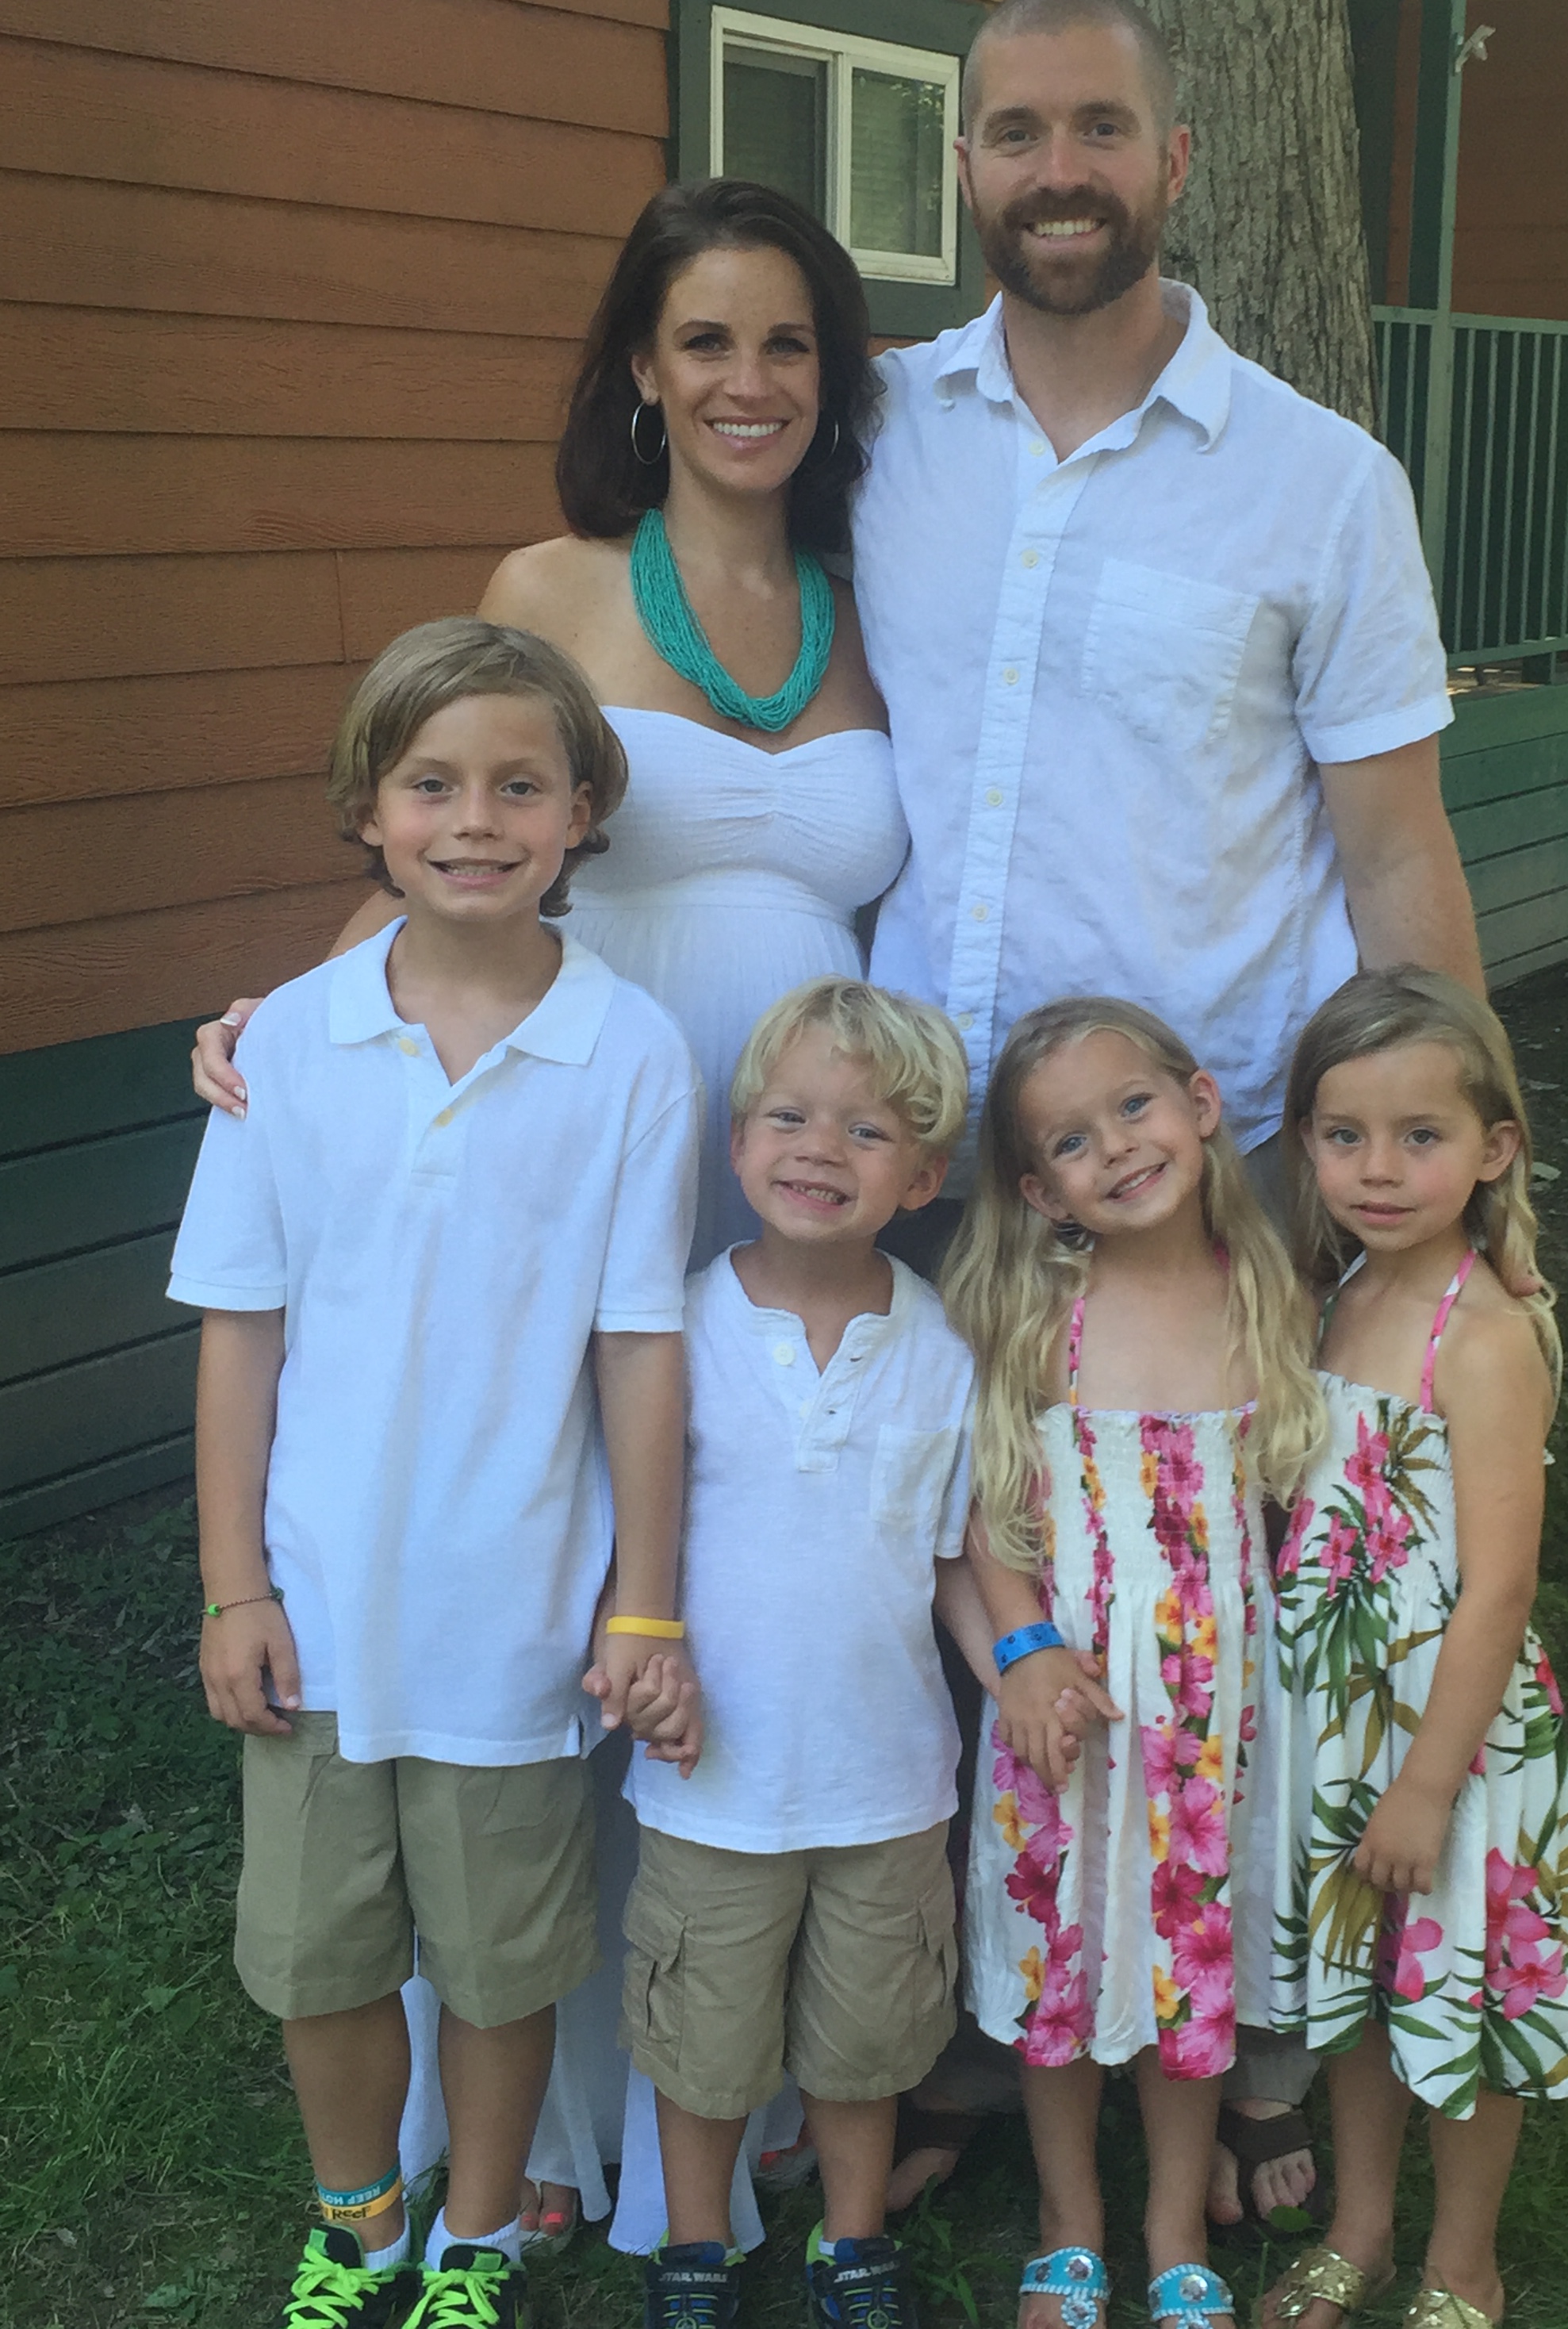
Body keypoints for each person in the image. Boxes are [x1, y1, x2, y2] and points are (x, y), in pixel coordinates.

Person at [188, 178, 906, 2243]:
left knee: (712, 1584)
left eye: (788, 341)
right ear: (641, 373)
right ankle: (529, 2145)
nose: (750, 380)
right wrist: (285, 1021)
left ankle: (719, 2076)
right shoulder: (554, 579)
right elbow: (452, 813)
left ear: (831, 375)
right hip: (554, 1121)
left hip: (784, 1160)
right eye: (706, 341)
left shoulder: (880, 599)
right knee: (506, 1549)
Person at [857, 0, 1479, 2217]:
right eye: (1018, 131)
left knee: (1245, 1607)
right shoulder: (878, 431)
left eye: (1101, 129)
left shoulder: (1319, 482)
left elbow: (1394, 845)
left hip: (1211, 1171)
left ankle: (1266, 2035)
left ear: (1176, 159)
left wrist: (1461, 1173)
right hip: (935, 1162)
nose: (1060, 172)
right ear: (966, 163)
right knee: (969, 1581)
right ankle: (974, 2028)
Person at [170, 619, 702, 2329]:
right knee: (320, 1959)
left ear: (582, 812)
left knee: (497, 1964)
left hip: (514, 1619)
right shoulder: (288, 1044)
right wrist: (235, 1588)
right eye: (433, 784)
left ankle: (477, 2238)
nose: (477, 821)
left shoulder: (634, 1054)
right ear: (369, 809)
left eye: (520, 785)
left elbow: (639, 1345)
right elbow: (242, 1331)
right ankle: (358, 2227)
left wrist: (643, 1602)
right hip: (317, 1612)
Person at [941, 996, 1328, 2329]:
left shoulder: (1267, 1298)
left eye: (1133, 1107)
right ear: (1038, 1191)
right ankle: (1071, 2225)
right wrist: (1024, 1654)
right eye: (1070, 1140)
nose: (1114, 1147)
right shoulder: (1035, 1315)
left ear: (1202, 1105)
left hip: (1214, 1723)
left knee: (1189, 1974)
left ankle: (1172, 2228)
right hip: (1067, 1709)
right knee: (1059, 1966)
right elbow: (986, 1516)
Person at [619, 978, 994, 2329]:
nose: (821, 1150)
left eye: (868, 1131)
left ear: (924, 1179)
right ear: (736, 1146)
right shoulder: (668, 1330)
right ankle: (695, 2246)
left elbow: (950, 1558)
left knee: (867, 2037)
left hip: (888, 1780)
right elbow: (624, 1542)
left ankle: (853, 2241)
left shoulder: (946, 1348)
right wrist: (636, 1667)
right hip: (711, 1779)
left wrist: (1016, 1667)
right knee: (702, 2034)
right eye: (788, 1118)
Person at [1254, 969, 1568, 2329]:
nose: (1380, 1170)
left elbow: (1499, 1588)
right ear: (1306, 1142)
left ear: (1496, 1147)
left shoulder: (1487, 1334)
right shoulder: (1335, 1292)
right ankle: (1361, 2231)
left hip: (1446, 1736)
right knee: (1357, 1990)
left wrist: (1429, 1785)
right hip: (1337, 1723)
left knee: (1462, 1998)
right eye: (1346, 1137)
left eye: (1421, 1137)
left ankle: (1465, 2267)